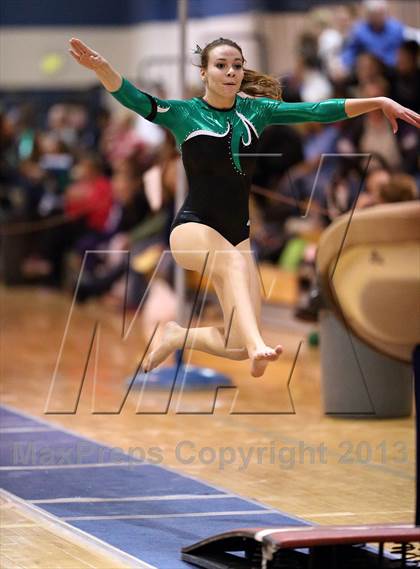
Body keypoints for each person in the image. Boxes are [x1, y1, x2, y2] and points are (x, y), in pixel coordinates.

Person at [69, 36, 420, 378]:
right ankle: (258, 346)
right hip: (193, 230)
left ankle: (180, 336)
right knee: (237, 281)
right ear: (204, 73)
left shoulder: (256, 110)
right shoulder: (184, 113)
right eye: (221, 65)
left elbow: (317, 110)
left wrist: (377, 101)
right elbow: (135, 99)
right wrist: (103, 69)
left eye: (237, 66)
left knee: (235, 341)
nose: (231, 72)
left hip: (238, 236)